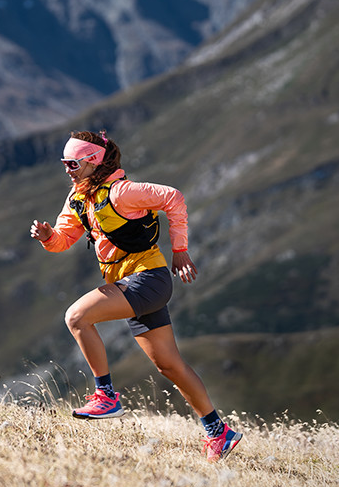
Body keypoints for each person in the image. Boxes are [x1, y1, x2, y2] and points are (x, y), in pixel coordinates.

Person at [29, 129, 242, 462]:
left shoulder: (122, 192)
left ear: (92, 161)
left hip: (148, 279)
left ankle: (106, 396)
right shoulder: (79, 199)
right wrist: (47, 237)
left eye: (73, 163)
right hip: (134, 284)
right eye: (64, 163)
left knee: (77, 317)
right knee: (169, 365)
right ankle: (219, 432)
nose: (67, 169)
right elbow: (63, 240)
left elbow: (174, 197)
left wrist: (180, 250)